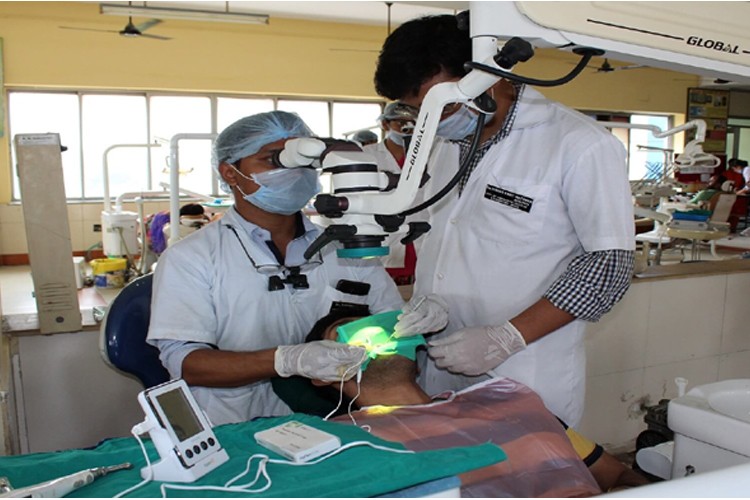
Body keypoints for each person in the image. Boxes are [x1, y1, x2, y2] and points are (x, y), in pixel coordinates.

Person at [375, 15, 635, 427]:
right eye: (417, 111)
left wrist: (506, 337)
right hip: (441, 361)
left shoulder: (580, 144)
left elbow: (608, 266)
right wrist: (434, 302)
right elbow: (441, 233)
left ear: (486, 74)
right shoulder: (445, 145)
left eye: (443, 105)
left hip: (524, 369)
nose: (432, 121)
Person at [147, 111, 404, 426]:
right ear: (230, 172)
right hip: (237, 429)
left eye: (303, 160)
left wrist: (416, 325)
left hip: (337, 424)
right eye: (274, 160)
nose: (293, 172)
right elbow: (187, 364)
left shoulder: (347, 246)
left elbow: (394, 330)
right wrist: (286, 360)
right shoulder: (191, 258)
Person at [276, 311, 650, 497]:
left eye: (386, 325)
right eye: (350, 333)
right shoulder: (333, 442)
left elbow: (616, 474)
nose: (376, 333)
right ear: (321, 373)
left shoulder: (510, 397)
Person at [363, 102, 420, 285]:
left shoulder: (428, 152)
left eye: (412, 122)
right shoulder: (367, 154)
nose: (407, 127)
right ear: (385, 125)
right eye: (400, 122)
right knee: (384, 288)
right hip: (383, 233)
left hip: (421, 233)